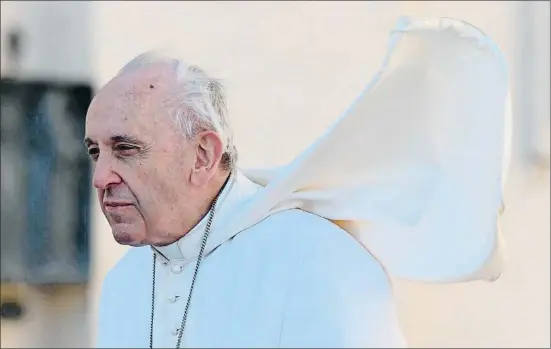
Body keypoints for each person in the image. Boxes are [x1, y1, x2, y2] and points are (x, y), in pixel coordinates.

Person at [89, 17, 510, 348]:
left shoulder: (319, 261)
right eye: (95, 152)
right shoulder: (124, 282)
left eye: (126, 149)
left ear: (202, 156)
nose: (101, 177)